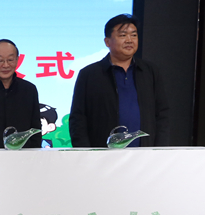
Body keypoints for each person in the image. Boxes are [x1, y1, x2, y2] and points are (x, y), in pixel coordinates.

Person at [69, 14, 169, 148]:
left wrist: (160, 149)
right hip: (103, 154)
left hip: (145, 153)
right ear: (107, 42)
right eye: (123, 35)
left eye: (134, 35)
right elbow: (78, 118)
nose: (129, 40)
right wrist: (85, 152)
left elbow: (162, 114)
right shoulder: (89, 74)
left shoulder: (150, 71)